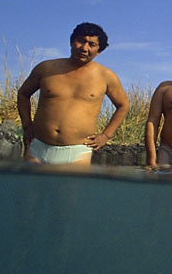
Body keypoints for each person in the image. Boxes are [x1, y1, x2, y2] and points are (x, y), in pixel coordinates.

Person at [17, 22, 130, 166]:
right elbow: (23, 94)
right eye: (81, 41)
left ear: (99, 50)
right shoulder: (46, 68)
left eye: (91, 44)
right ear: (72, 41)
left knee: (71, 189)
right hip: (39, 146)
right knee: (31, 188)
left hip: (77, 152)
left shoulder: (106, 76)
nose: (84, 48)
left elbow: (123, 105)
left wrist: (106, 135)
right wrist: (27, 126)